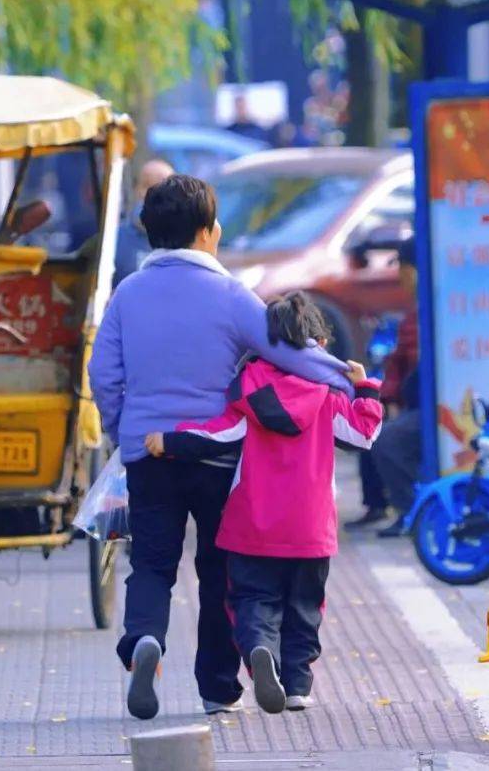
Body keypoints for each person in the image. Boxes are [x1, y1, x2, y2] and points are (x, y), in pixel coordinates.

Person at [89, 175, 357, 722]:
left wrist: (124, 434)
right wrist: (347, 379)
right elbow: (291, 353)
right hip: (220, 455)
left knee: (152, 563)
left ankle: (145, 639)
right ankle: (217, 689)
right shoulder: (232, 295)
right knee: (220, 570)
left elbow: (103, 375)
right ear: (209, 233)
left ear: (151, 233)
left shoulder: (127, 296)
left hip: (149, 452)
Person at [146, 293, 383, 713]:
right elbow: (362, 436)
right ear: (320, 345)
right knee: (304, 606)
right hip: (311, 529)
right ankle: (296, 685)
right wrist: (364, 387)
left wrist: (169, 439)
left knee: (253, 598)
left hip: (252, 525)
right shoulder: (329, 398)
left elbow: (213, 436)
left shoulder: (246, 394)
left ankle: (259, 648)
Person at [370, 242, 422, 537]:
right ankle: (379, 506)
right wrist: (388, 397)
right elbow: (399, 363)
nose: (400, 278)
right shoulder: (414, 311)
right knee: (371, 428)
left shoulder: (431, 309)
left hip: (436, 411)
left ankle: (413, 511)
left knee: (388, 440)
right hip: (413, 404)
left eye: (402, 270)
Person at [112, 158, 174, 285]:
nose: (155, 194)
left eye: (163, 187)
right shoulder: (113, 241)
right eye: (147, 185)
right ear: (136, 190)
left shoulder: (187, 244)